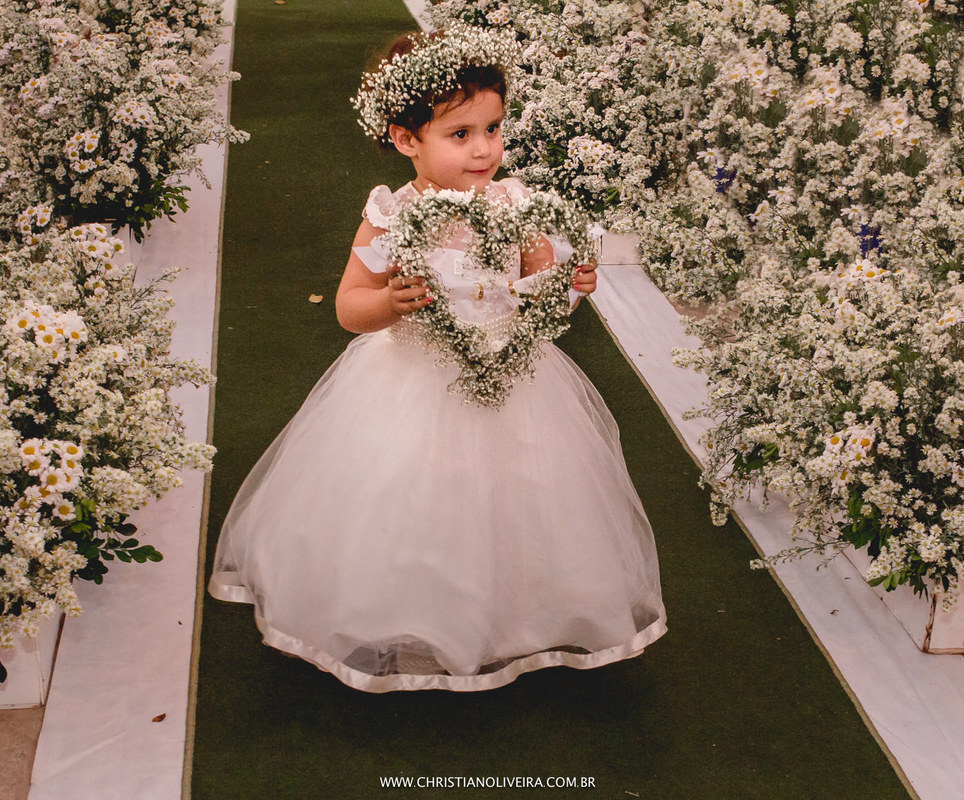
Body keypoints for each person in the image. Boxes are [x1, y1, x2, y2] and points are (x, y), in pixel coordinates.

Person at [208, 24, 666, 692]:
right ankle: (413, 617)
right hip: (411, 382)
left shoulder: (520, 206)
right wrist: (392, 302)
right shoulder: (391, 216)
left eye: (493, 128)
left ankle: (518, 616)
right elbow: (348, 306)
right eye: (461, 134)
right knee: (410, 504)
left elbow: (544, 309)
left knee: (523, 504)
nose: (484, 150)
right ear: (404, 139)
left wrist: (568, 288)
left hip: (513, 380)